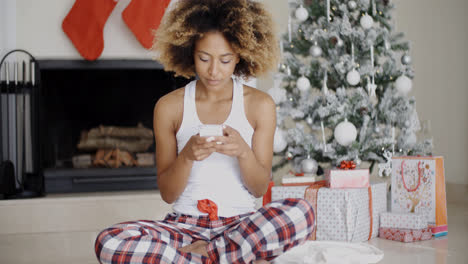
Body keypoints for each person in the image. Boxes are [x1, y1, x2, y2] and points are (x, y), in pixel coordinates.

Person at [94, 0, 315, 263]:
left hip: (240, 227)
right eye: (204, 58)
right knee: (109, 241)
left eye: (225, 60)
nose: (213, 70)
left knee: (303, 212)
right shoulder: (168, 107)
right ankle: (227, 257)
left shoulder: (260, 105)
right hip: (183, 229)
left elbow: (258, 189)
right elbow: (167, 194)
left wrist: (243, 152)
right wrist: (186, 156)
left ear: (240, 56)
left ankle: (208, 255)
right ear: (189, 52)